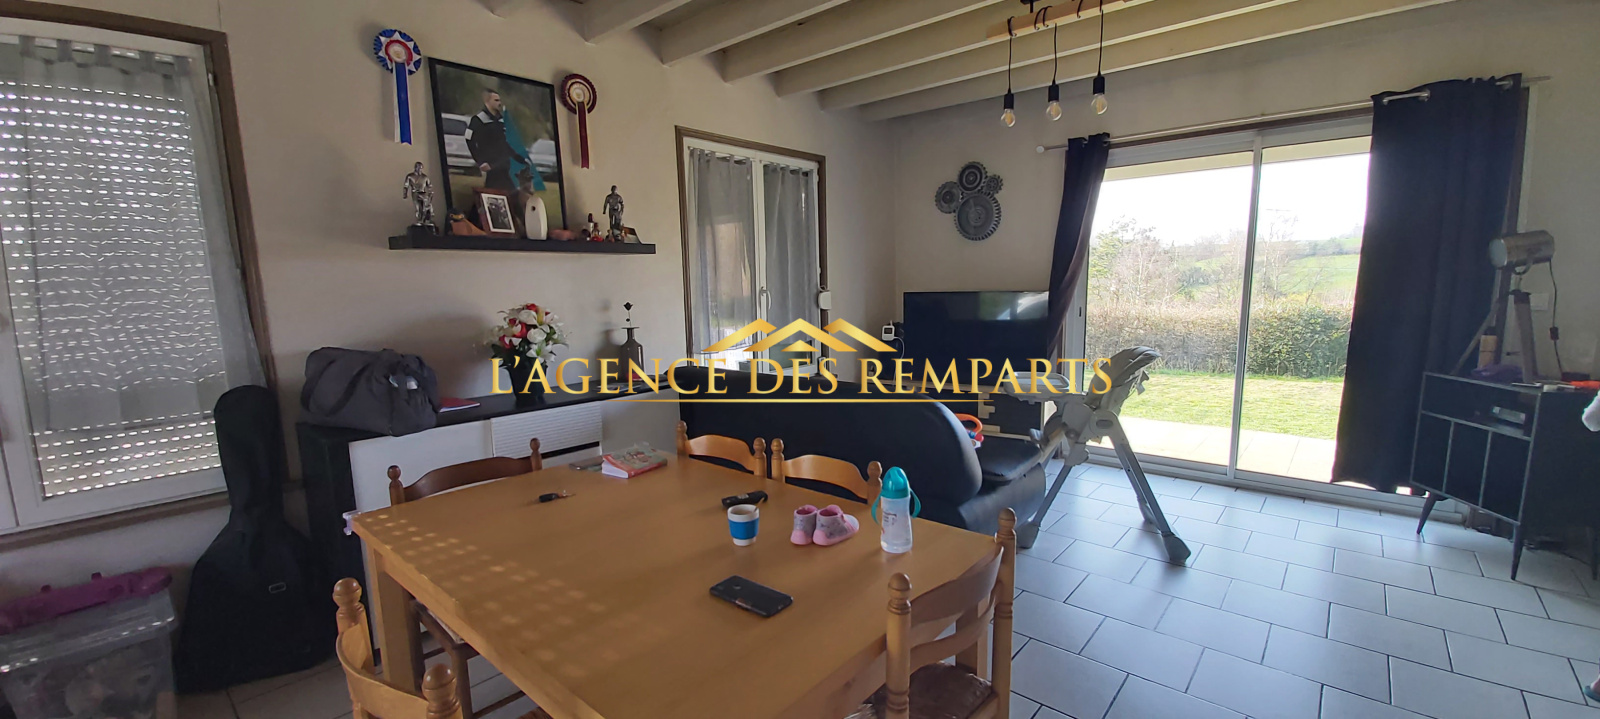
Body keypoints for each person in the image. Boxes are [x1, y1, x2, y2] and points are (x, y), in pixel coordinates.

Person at [465, 89, 530, 193]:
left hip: (505, 166)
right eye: (496, 100)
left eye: (499, 100)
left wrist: (520, 159)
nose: (499, 103)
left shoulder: (501, 120)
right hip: (492, 168)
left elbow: (505, 144)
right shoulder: (478, 120)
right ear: (487, 101)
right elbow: (469, 140)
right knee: (494, 194)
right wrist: (480, 161)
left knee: (512, 195)